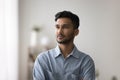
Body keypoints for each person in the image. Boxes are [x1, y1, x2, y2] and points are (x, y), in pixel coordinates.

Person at [33, 10, 95, 80]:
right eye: (57, 27)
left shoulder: (86, 62)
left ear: (76, 32)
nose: (59, 31)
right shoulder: (42, 59)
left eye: (65, 27)